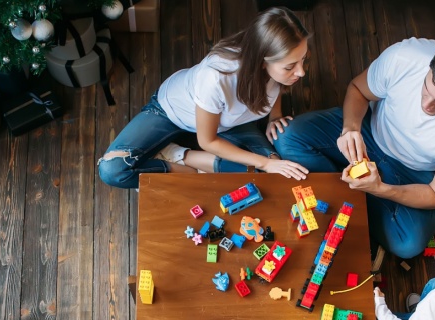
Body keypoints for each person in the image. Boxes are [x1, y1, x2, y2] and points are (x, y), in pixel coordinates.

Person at [272, 27, 435, 258]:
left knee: (408, 244)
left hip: (413, 174)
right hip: (367, 130)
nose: (426, 106)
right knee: (287, 138)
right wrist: (350, 128)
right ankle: (355, 198)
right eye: (427, 89)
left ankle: (346, 195)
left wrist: (383, 189)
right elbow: (358, 89)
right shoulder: (405, 57)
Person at [98, 7, 310, 189]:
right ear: (262, 61)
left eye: (302, 60)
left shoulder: (277, 69)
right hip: (171, 113)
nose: (301, 72)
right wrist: (264, 163)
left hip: (229, 124)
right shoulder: (217, 77)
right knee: (112, 170)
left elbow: (277, 85)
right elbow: (207, 140)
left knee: (273, 175)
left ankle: (182, 153)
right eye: (290, 66)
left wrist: (275, 115)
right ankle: (180, 163)